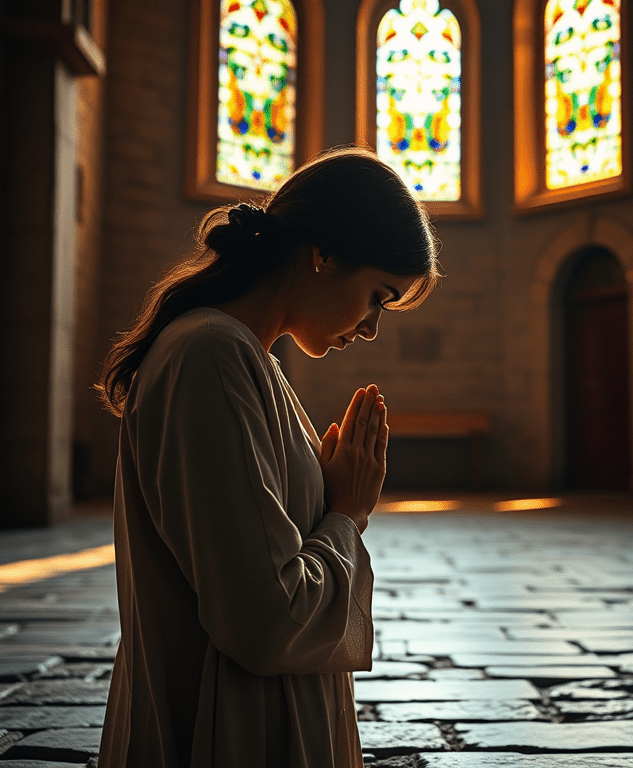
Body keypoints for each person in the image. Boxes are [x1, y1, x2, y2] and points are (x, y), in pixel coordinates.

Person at [95, 146, 441, 767]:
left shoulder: (249, 360)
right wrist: (346, 514)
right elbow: (267, 619)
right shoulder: (210, 354)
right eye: (377, 296)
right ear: (323, 254)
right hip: (230, 731)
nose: (371, 328)